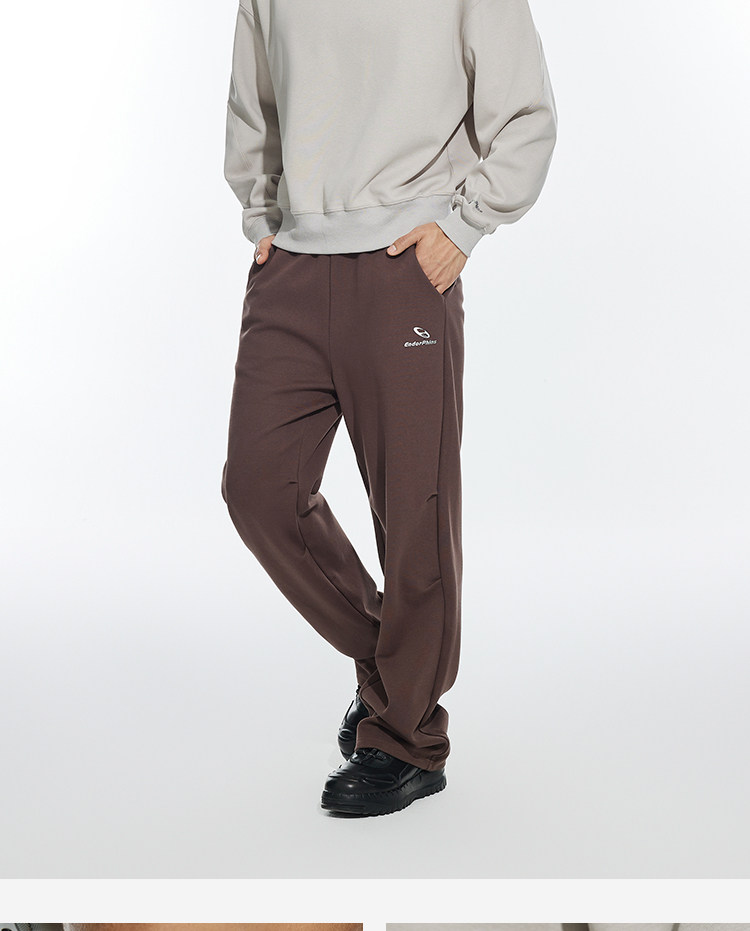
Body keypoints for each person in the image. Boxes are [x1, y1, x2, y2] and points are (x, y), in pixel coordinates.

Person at [221, 0, 557, 816]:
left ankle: (409, 739)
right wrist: (263, 214)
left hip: (407, 261)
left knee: (415, 513)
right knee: (259, 489)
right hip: (292, 265)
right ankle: (395, 666)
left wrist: (466, 225)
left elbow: (526, 115)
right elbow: (253, 102)